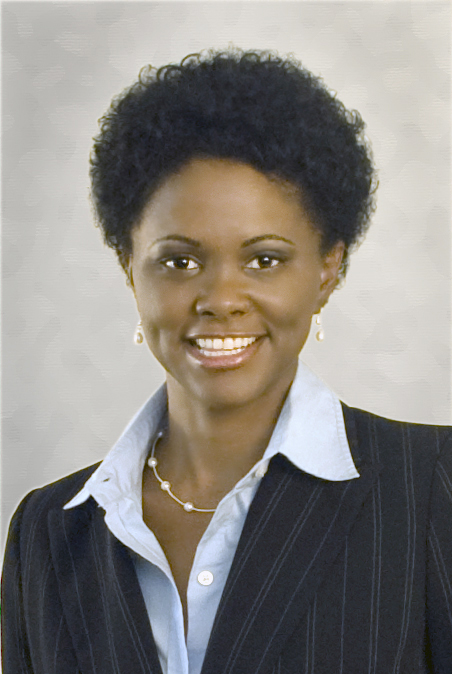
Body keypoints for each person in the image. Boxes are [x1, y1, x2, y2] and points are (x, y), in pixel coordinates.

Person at [2, 48, 451, 674]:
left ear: (328, 270)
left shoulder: (434, 488)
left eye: (264, 259)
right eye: (180, 261)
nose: (219, 300)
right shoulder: (47, 535)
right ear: (131, 268)